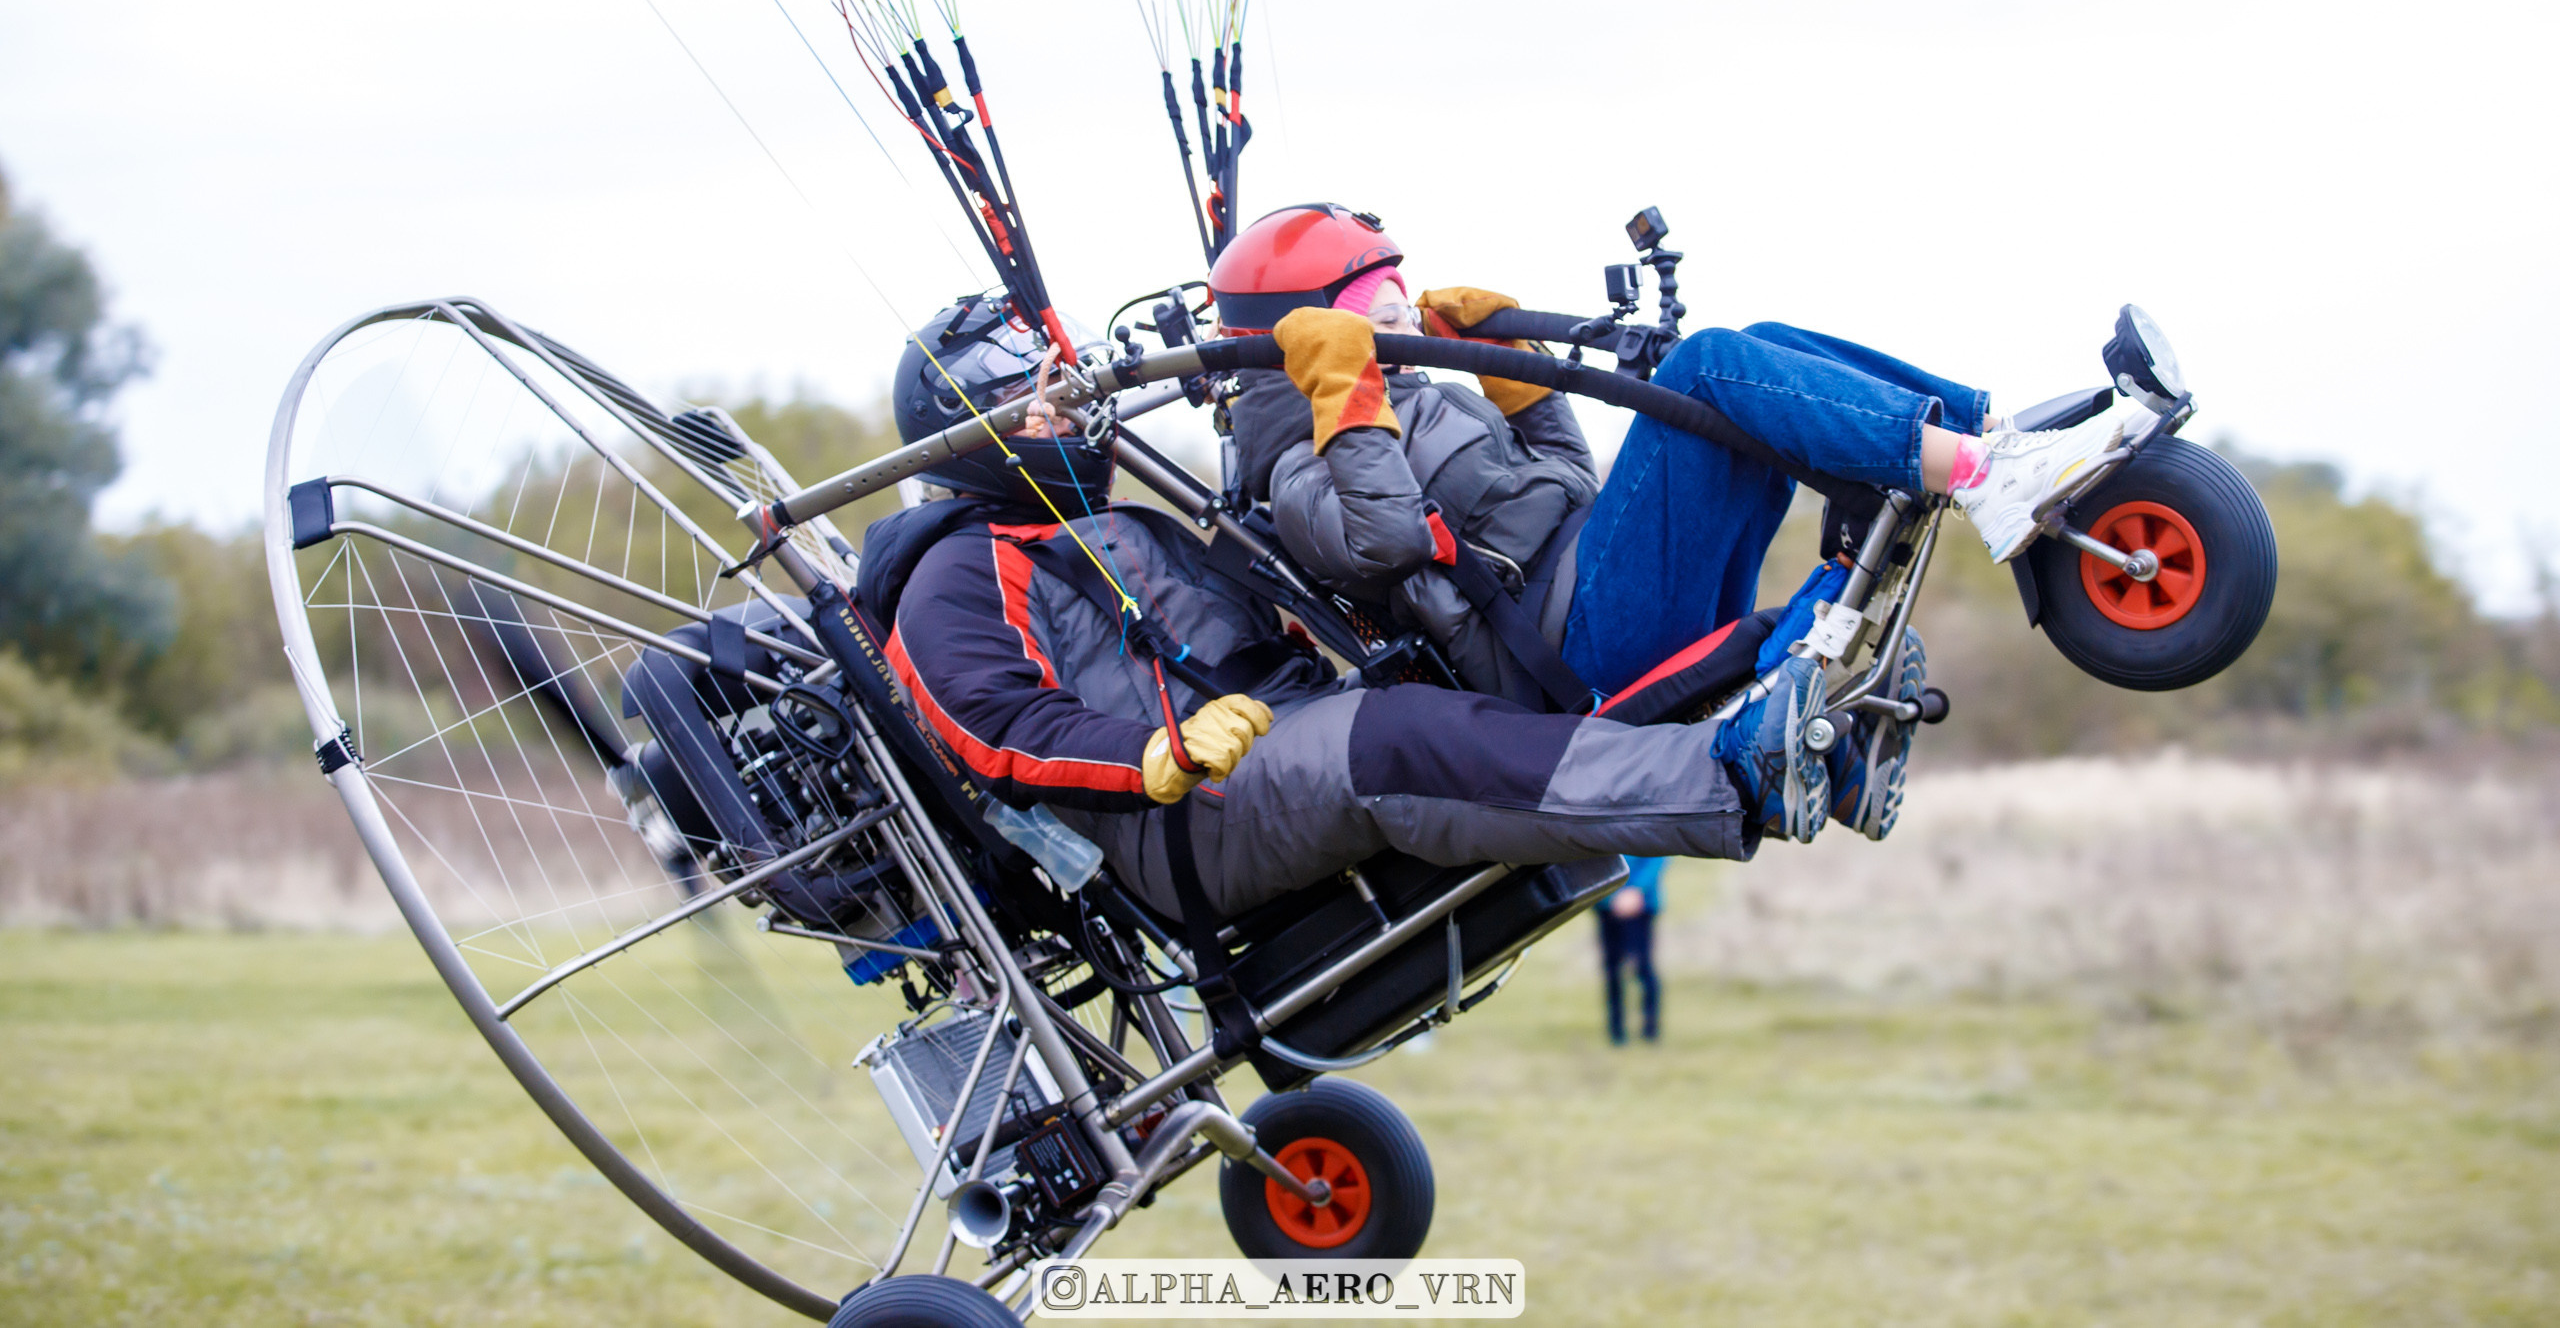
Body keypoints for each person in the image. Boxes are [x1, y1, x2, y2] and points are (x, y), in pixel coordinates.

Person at [857, 291, 1838, 929]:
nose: (1069, 420)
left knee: (1448, 686)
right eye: (1041, 409)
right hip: (1180, 819)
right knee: (1394, 736)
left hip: (1272, 742)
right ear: (969, 434)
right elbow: (990, 722)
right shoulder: (955, 569)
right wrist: (1154, 755)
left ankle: (1812, 678)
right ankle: (1736, 778)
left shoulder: (1127, 533)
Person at [1210, 203, 2148, 843]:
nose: (1395, 311)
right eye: (1373, 299)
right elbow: (1387, 537)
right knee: (1705, 368)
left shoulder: (1407, 399)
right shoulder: (1298, 466)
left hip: (1605, 576)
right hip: (1571, 648)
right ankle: (1987, 475)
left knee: (1763, 350)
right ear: (1310, 328)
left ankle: (1992, 437)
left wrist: (1512, 365)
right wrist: (1345, 391)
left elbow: (1569, 481)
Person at [1598, 855, 1665, 1045]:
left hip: (1642, 904)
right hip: (1607, 902)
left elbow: (1659, 853)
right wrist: (1611, 895)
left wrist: (1637, 890)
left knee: (1643, 966)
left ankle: (1650, 1031)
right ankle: (1616, 1032)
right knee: (1612, 969)